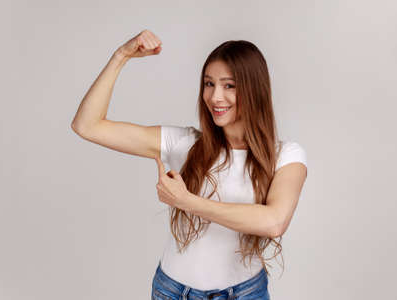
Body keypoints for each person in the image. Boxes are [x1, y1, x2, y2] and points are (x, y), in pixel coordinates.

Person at [71, 29, 307, 300]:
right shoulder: (183, 143)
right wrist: (121, 56)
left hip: (245, 294)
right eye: (209, 84)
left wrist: (186, 201)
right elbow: (86, 125)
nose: (215, 97)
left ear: (255, 90)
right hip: (172, 292)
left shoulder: (286, 155)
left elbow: (274, 222)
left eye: (229, 85)